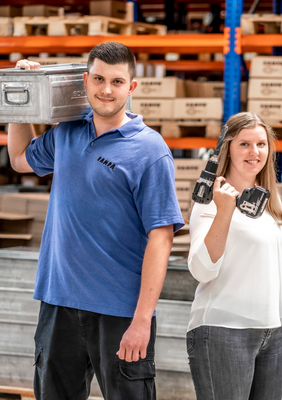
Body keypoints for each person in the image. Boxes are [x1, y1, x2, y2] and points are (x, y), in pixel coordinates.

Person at [8, 41, 185, 400]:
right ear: (85, 81)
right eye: (99, 79)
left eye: (117, 82)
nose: (107, 90)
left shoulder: (151, 151)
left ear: (131, 87)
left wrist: (141, 320)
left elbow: (161, 238)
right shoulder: (67, 133)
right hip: (59, 303)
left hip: (119, 311)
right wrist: (21, 94)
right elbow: (19, 159)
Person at [187, 112, 282, 400]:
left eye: (261, 144)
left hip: (270, 333)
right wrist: (224, 211)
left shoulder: (269, 201)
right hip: (223, 331)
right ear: (228, 150)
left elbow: (277, 271)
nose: (254, 152)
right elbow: (202, 270)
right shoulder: (210, 200)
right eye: (244, 144)